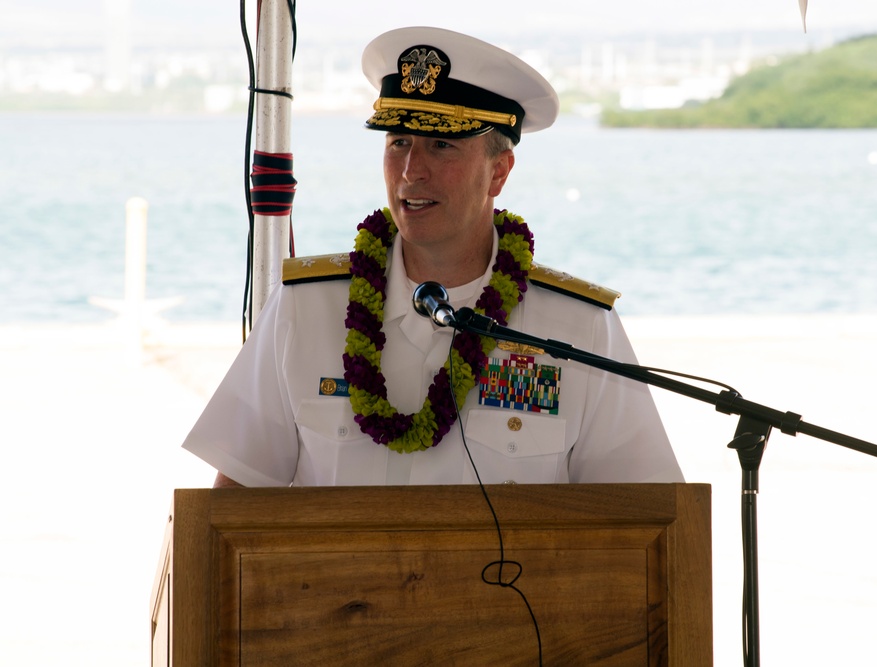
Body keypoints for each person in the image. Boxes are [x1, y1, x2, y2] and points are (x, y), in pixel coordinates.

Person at [182, 26, 684, 488]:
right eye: (398, 141)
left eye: (442, 145)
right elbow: (236, 504)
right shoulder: (303, 309)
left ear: (499, 172)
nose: (410, 171)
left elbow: (644, 514)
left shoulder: (579, 330)